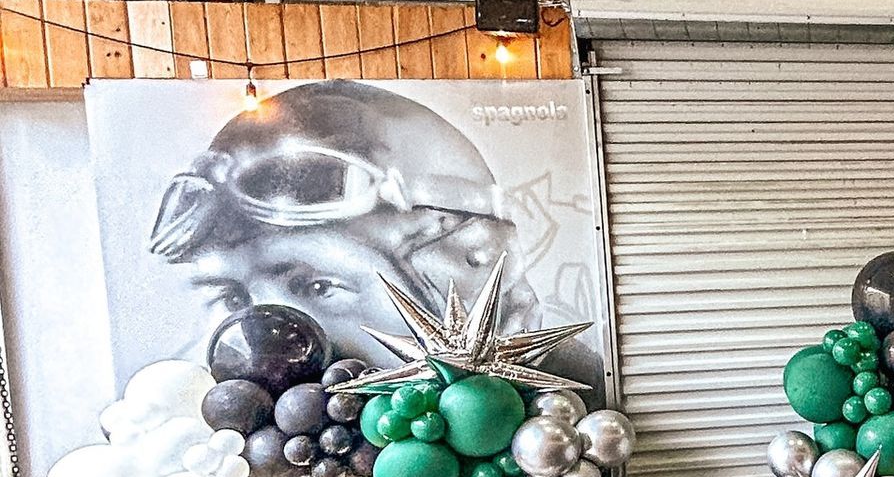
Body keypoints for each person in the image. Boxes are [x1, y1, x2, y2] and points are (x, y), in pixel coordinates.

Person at [147, 80, 600, 389]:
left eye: (319, 287)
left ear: (473, 265)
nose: (264, 351)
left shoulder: (568, 419)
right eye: (233, 299)